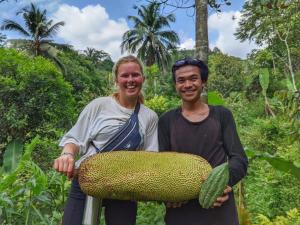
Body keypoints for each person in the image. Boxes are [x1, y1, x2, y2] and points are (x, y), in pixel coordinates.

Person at [53, 55, 158, 225]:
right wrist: (67, 155)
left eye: (135, 75)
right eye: (125, 75)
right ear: (116, 80)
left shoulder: (150, 116)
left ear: (142, 79)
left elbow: (151, 157)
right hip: (87, 178)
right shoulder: (99, 105)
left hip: (124, 185)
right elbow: (75, 139)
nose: (130, 80)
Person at [158, 58, 248, 225]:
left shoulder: (222, 115)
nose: (187, 85)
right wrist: (167, 196)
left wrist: (220, 185)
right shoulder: (166, 120)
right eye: (181, 80)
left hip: (219, 211)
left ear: (203, 81)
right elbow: (162, 166)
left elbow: (239, 159)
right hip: (180, 213)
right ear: (175, 85)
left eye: (193, 78)